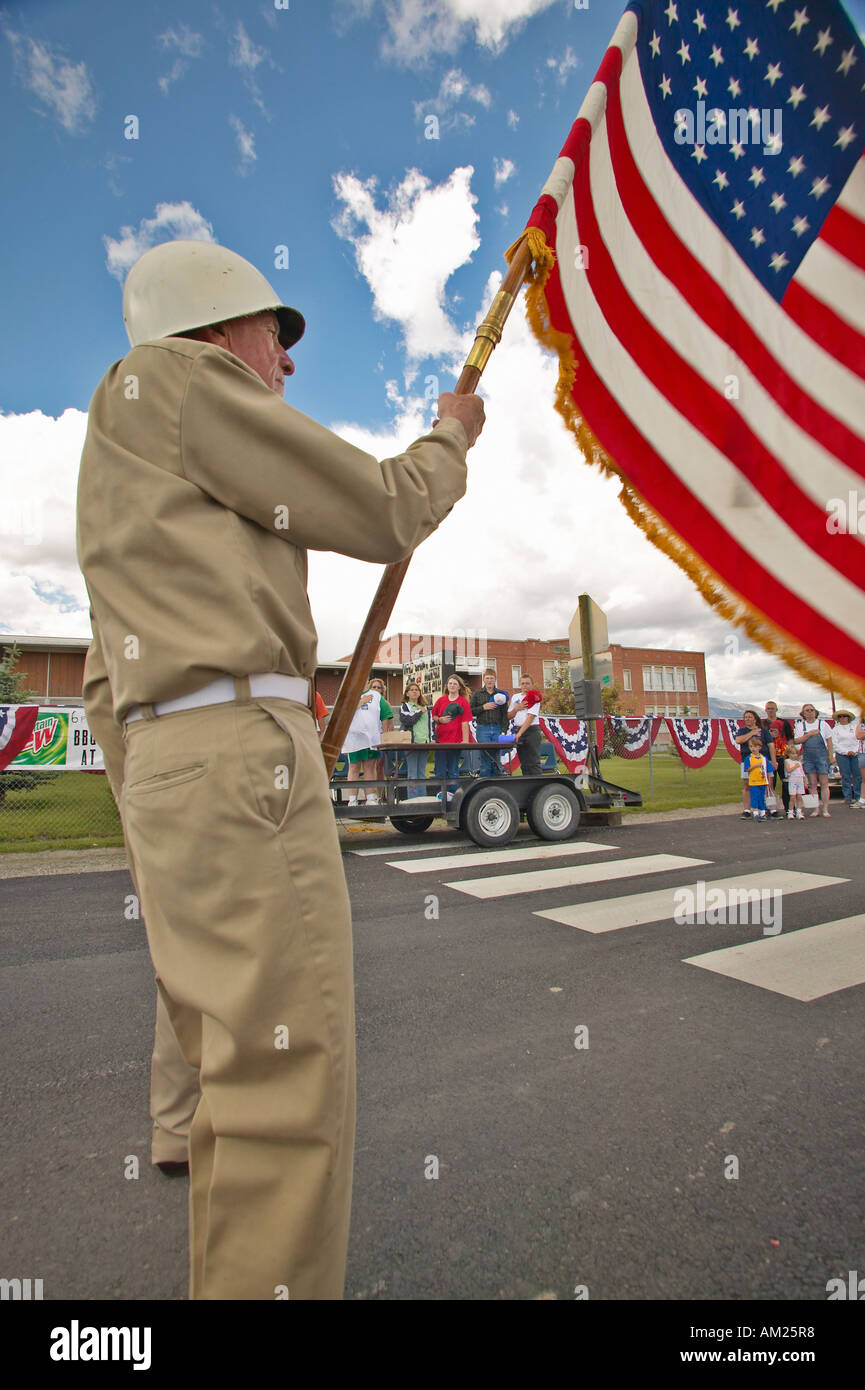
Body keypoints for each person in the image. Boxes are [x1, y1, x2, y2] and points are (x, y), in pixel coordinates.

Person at [76, 238, 484, 1301]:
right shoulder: (173, 380)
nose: (286, 362)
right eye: (275, 332)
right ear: (215, 329)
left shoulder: (121, 481)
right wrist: (452, 433)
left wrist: (160, 798)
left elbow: (96, 687)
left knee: (239, 1084)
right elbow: (383, 507)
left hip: (175, 764)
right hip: (237, 760)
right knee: (289, 1092)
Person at [342, 676, 393, 806]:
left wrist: (385, 734)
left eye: (363, 679)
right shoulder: (349, 694)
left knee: (369, 768)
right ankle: (352, 799)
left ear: (367, 681)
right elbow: (344, 712)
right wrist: (361, 702)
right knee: (354, 768)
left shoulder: (375, 695)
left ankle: (370, 798)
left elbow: (386, 714)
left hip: (371, 739)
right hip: (354, 739)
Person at [431, 674, 472, 799]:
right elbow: (434, 716)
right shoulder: (441, 700)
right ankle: (440, 795)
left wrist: (465, 740)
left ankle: (454, 797)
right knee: (440, 770)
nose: (452, 686)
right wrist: (440, 719)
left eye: (455, 683)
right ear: (447, 686)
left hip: (455, 741)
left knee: (453, 769)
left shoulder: (463, 702)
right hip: (441, 741)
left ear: (459, 686)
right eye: (450, 683)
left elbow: (465, 722)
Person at [792, 703, 834, 818]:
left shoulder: (822, 724)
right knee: (812, 784)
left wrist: (831, 756)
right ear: (803, 714)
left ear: (815, 712)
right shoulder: (801, 725)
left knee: (824, 783)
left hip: (822, 756)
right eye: (807, 710)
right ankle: (816, 809)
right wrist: (809, 734)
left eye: (811, 710)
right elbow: (797, 740)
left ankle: (825, 808)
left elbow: (829, 741)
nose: (810, 712)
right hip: (809, 757)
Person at [734, 709, 776, 819]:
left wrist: (773, 760)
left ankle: (769, 807)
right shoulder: (742, 731)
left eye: (750, 717)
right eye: (746, 717)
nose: (747, 719)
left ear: (755, 718)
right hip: (748, 761)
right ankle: (747, 809)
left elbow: (771, 745)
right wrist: (752, 733)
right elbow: (739, 740)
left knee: (767, 784)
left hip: (763, 760)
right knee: (748, 785)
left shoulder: (764, 731)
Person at [469, 669, 510, 776]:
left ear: (495, 679)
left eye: (492, 678)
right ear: (484, 679)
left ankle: (497, 784)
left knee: (496, 757)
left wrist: (503, 731)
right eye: (487, 678)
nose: (489, 680)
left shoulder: (501, 694)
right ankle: (485, 784)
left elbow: (505, 715)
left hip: (497, 728)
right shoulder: (477, 694)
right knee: (485, 756)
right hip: (483, 728)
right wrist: (483, 707)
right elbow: (470, 711)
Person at [398, 681, 431, 797]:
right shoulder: (405, 706)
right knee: (412, 773)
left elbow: (430, 724)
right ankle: (412, 799)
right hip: (412, 743)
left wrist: (432, 738)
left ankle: (422, 798)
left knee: (422, 773)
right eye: (411, 690)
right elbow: (407, 720)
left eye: (416, 690)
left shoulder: (425, 708)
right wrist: (418, 712)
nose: (414, 691)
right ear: (407, 693)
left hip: (424, 743)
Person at [763, 700, 794, 817]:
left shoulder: (784, 722)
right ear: (765, 710)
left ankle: (789, 807)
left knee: (786, 782)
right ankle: (772, 808)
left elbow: (790, 738)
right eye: (768, 708)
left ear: (776, 709)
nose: (770, 710)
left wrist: (790, 752)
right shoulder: (763, 724)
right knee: (771, 784)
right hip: (770, 757)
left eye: (772, 708)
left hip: (783, 756)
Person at [509, 674, 543, 777]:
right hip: (518, 729)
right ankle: (527, 784)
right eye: (523, 683)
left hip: (531, 730)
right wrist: (516, 708)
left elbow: (530, 717)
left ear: (532, 685)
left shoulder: (534, 696)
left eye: (527, 683)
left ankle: (539, 785)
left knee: (533, 761)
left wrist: (519, 733)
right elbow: (509, 715)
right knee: (524, 763)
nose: (525, 686)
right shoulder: (516, 697)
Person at [830, 710, 862, 807]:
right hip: (842, 754)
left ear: (848, 717)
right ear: (838, 719)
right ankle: (847, 797)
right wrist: (846, 751)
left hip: (855, 754)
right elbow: (835, 744)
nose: (842, 718)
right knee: (845, 776)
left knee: (857, 776)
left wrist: (854, 751)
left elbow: (859, 739)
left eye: (844, 716)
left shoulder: (855, 727)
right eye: (840, 716)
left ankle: (858, 796)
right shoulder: (835, 729)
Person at [743, 735, 774, 821]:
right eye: (751, 746)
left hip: (762, 780)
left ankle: (762, 812)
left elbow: (768, 770)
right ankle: (755, 812)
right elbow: (746, 769)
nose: (753, 748)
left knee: (761, 797)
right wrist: (755, 766)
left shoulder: (763, 758)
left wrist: (768, 781)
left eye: (755, 746)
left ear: (759, 747)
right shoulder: (749, 758)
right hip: (753, 781)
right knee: (754, 797)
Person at [784, 744, 806, 819]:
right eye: (792, 753)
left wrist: (805, 782)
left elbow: (802, 773)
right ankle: (790, 811)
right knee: (792, 797)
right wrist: (794, 766)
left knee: (799, 796)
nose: (794, 755)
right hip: (792, 780)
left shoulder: (799, 762)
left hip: (799, 780)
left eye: (796, 753)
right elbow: (788, 770)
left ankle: (799, 811)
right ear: (788, 754)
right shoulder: (787, 761)